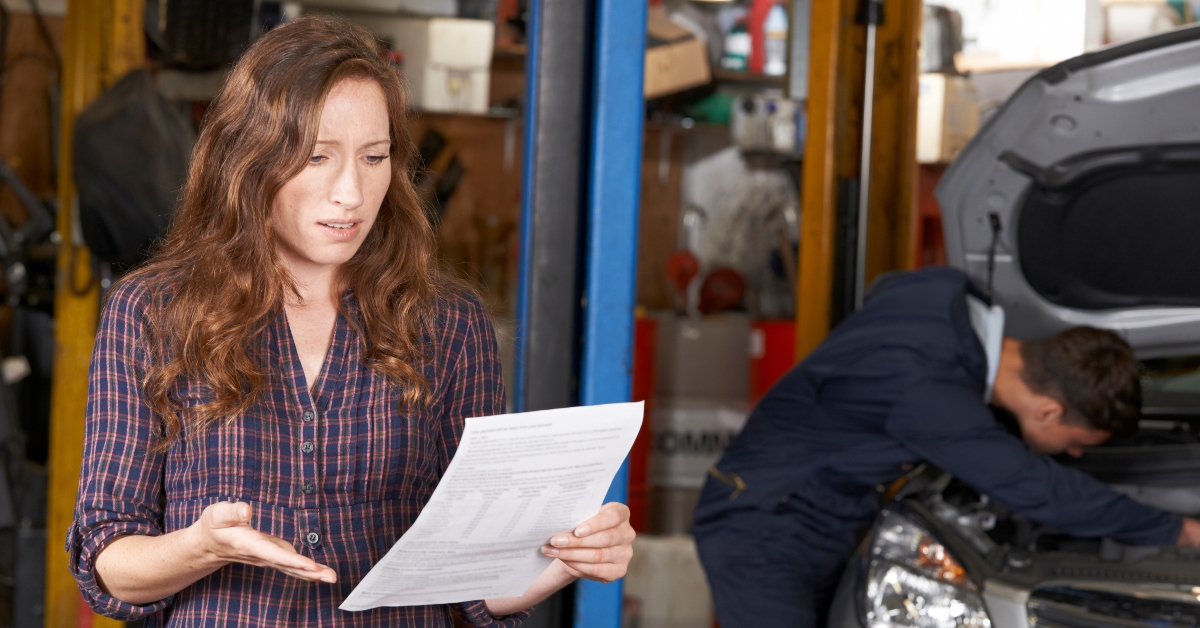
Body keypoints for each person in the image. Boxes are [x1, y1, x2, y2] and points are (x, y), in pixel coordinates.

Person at [68, 16, 633, 626]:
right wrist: (201, 546)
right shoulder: (152, 312)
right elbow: (109, 557)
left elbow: (470, 584)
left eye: (375, 157)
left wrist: (563, 560)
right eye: (316, 157)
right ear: (249, 159)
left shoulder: (447, 322)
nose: (352, 192)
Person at [692, 266, 1200, 628]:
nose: (1074, 456)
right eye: (1076, 443)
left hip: (815, 508)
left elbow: (883, 289)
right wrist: (1176, 529)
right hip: (765, 527)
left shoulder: (946, 289)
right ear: (1048, 410)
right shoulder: (930, 394)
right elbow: (1040, 489)